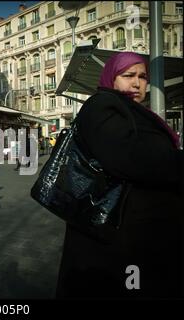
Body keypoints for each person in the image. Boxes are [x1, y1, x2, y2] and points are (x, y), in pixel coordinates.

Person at [56, 52, 183, 299]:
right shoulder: (102, 105)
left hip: (142, 232)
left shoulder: (134, 112)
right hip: (120, 235)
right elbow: (129, 158)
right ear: (112, 77)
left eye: (143, 77)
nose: (137, 83)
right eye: (128, 76)